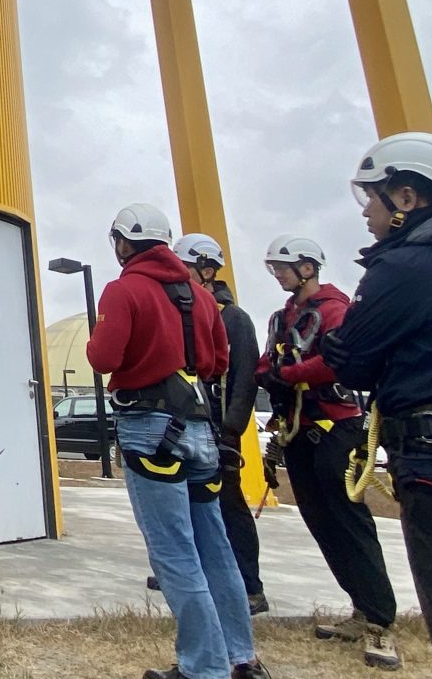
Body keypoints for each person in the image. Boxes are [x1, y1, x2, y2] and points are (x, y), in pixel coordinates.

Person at [86, 204, 268, 679]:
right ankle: (240, 658)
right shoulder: (201, 297)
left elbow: (103, 357)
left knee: (173, 551)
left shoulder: (124, 290)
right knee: (215, 546)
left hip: (149, 428)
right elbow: (218, 363)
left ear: (123, 243)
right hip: (199, 429)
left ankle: (202, 667)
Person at [323, 131, 432, 678]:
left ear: (407, 198)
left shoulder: (404, 267)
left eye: (374, 196)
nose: (366, 211)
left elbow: (353, 360)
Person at [257, 233, 398, 668]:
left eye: (283, 266)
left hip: (336, 429)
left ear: (308, 267)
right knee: (321, 521)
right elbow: (268, 362)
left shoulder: (335, 311)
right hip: (298, 430)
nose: (278, 273)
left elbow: (337, 361)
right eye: (273, 267)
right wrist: (272, 376)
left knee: (349, 521)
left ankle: (380, 622)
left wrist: (293, 374)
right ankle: (360, 609)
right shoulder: (284, 317)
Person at [160, 234, 268, 615]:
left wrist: (231, 433)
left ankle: (250, 586)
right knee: (183, 502)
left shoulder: (232, 318)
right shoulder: (183, 310)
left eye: (184, 268)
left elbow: (244, 381)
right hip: (185, 424)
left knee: (228, 504)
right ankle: (193, 571)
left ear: (206, 270)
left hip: (218, 430)